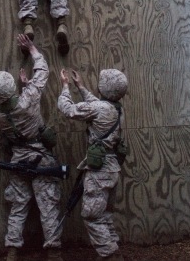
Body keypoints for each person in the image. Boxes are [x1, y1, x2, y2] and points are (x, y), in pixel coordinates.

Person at [0, 34, 63, 261]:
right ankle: (54, 252)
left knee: (18, 207)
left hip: (18, 161)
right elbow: (43, 71)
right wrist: (32, 50)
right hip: (41, 157)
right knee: (48, 206)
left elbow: (13, 108)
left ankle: (12, 251)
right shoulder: (28, 99)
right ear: (11, 90)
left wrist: (23, 88)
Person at [57, 68, 127, 261]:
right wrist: (81, 87)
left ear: (103, 88)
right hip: (112, 168)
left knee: (92, 216)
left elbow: (67, 109)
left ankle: (111, 256)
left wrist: (65, 87)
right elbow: (97, 104)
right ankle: (113, 250)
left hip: (99, 173)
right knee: (103, 215)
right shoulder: (117, 109)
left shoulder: (99, 109)